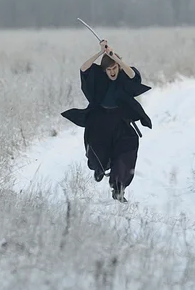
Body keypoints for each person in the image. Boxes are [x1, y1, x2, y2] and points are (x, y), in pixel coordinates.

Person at [61, 40, 152, 203]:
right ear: (104, 70)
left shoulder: (124, 77)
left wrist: (115, 57)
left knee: (127, 151)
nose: (112, 71)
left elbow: (133, 76)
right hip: (99, 121)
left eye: (114, 68)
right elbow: (83, 69)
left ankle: (118, 189)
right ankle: (99, 169)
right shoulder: (99, 78)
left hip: (121, 121)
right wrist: (100, 53)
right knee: (98, 155)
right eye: (109, 69)